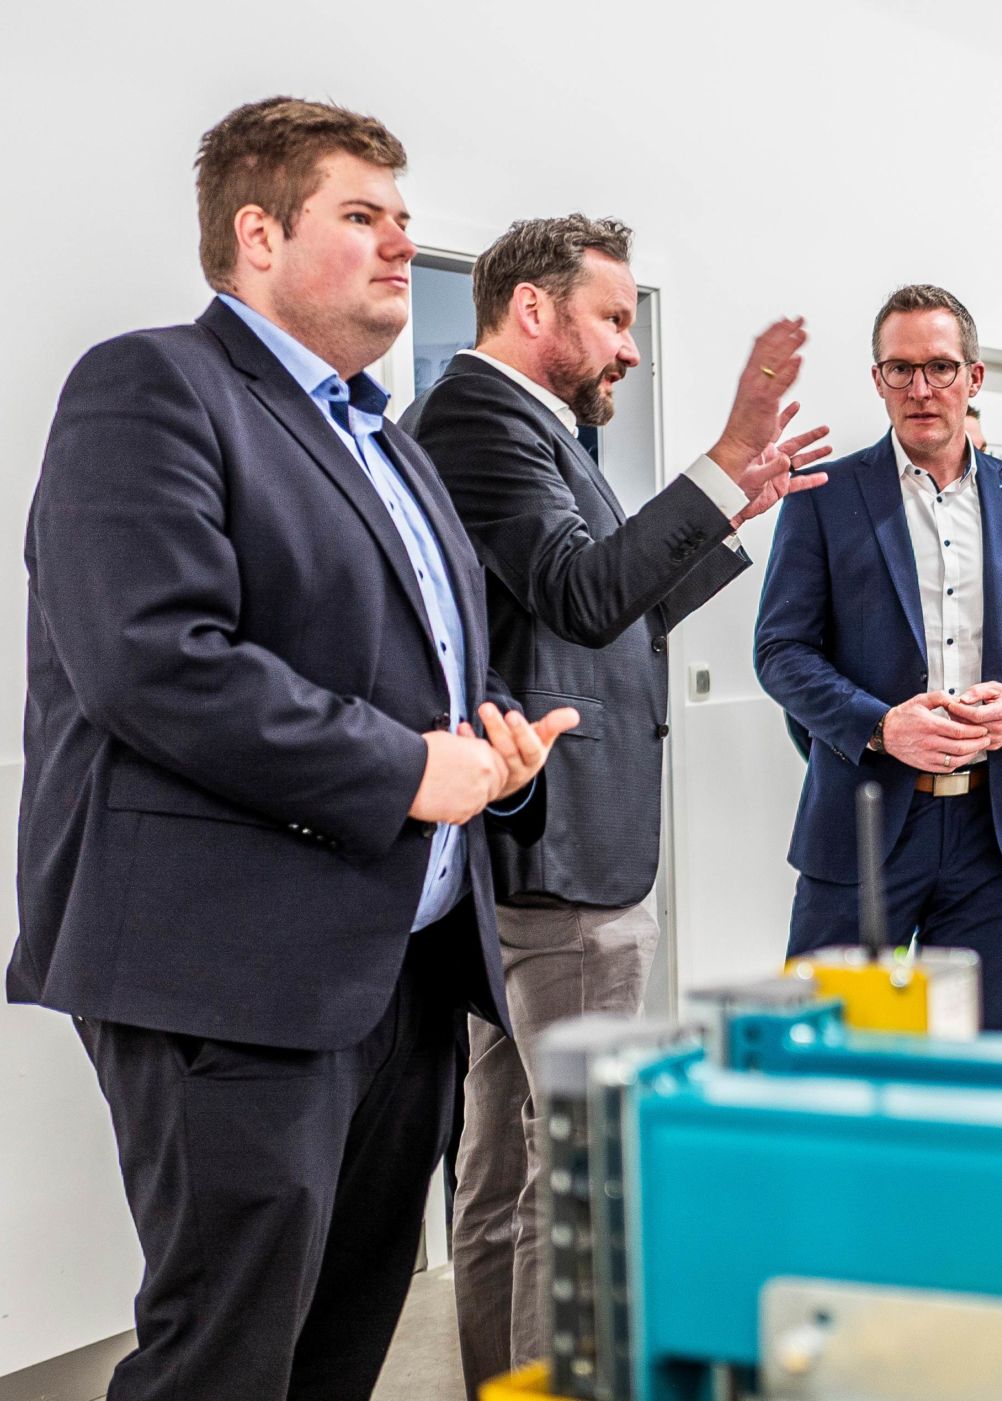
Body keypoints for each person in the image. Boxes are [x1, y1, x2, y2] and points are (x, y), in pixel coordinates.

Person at [7, 97, 574, 1400]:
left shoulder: (384, 436)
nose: (399, 244)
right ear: (256, 235)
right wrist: (406, 772)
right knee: (226, 1355)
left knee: (339, 1343)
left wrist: (492, 749)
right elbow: (153, 660)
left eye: (403, 218)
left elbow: (428, 659)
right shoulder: (148, 385)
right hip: (231, 973)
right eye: (362, 216)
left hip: (406, 975)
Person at [404, 214, 829, 1392]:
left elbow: (607, 611)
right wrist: (709, 469)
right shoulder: (482, 420)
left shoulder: (533, 431)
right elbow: (587, 597)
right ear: (533, 311)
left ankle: (510, 1381)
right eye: (611, 318)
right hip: (556, 862)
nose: (628, 348)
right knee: (570, 1165)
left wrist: (724, 520)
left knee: (506, 1162)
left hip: (539, 851)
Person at [756, 284, 1002, 1032]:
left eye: (940, 367)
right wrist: (882, 726)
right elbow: (780, 650)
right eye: (900, 369)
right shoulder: (823, 495)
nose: (920, 388)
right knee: (828, 1056)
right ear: (877, 379)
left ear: (974, 377)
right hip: (863, 824)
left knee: (970, 1064)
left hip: (995, 831)